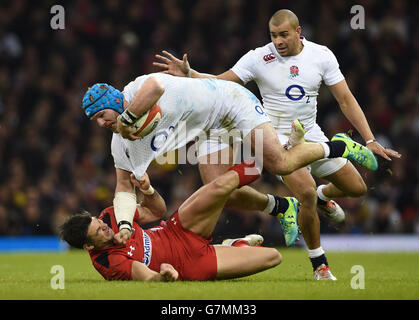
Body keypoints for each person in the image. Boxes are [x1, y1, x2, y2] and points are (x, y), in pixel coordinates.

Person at [153, 9, 401, 280]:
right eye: (273, 35)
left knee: (356, 188)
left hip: (311, 133)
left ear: (298, 32)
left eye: (284, 35)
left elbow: (345, 99)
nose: (278, 41)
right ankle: (320, 265)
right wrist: (191, 74)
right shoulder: (259, 57)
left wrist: (370, 139)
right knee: (304, 193)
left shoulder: (321, 55)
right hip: (274, 137)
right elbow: (222, 83)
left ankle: (323, 196)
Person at [81, 70, 377, 261]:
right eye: (95, 121)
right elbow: (122, 186)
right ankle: (282, 207)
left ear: (115, 100)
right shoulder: (120, 143)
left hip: (230, 103)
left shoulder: (134, 91)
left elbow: (156, 86)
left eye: (101, 114)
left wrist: (127, 119)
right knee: (219, 191)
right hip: (208, 129)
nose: (101, 123)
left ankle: (339, 146)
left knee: (280, 163)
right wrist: (122, 224)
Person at [60, 161, 283, 281]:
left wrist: (147, 189)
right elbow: (144, 275)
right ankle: (235, 246)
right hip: (191, 266)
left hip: (177, 230)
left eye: (99, 223)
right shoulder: (107, 263)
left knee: (220, 186)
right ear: (89, 246)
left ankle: (270, 162)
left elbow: (158, 211)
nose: (105, 226)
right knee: (273, 257)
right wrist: (164, 275)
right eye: (99, 231)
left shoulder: (111, 214)